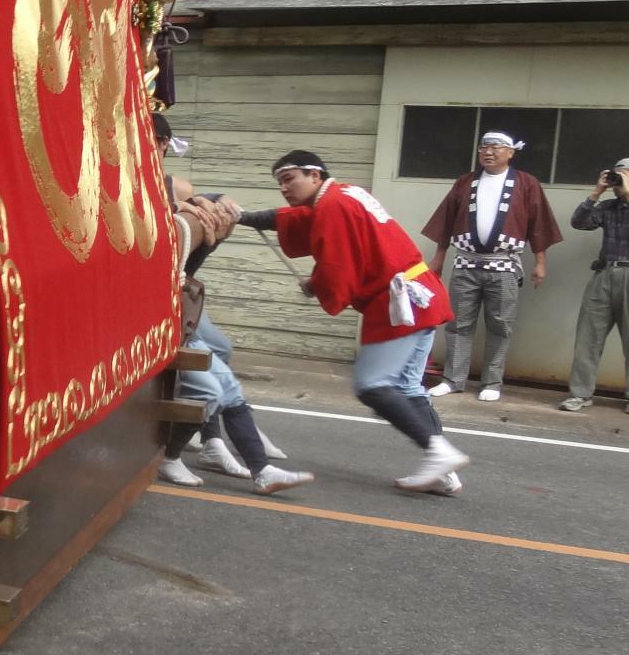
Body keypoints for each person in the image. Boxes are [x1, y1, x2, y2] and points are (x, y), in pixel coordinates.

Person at [238, 152, 465, 492]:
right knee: (407, 388)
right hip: (420, 294)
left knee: (372, 385)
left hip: (401, 303)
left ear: (315, 175)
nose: (284, 188)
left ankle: (437, 452)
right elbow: (296, 220)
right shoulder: (344, 193)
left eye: (289, 179)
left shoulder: (333, 206)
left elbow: (338, 266)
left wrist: (316, 286)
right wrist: (243, 217)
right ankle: (444, 472)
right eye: (280, 183)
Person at [158, 177, 313, 495]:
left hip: (181, 316)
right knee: (210, 389)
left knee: (225, 378)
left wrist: (210, 203)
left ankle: (257, 467)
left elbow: (202, 212)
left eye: (196, 201)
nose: (198, 205)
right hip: (162, 320)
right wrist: (180, 208)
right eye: (188, 201)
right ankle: (172, 456)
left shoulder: (194, 222)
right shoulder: (164, 223)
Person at [421, 129, 562, 403]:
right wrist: (439, 258)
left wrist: (541, 262)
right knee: (458, 323)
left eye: (496, 147)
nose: (488, 151)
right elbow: (446, 221)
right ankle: (453, 379)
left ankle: (492, 382)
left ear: (511, 152)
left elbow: (539, 224)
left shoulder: (526, 183)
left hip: (505, 266)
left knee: (501, 325)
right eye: (484, 147)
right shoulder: (465, 182)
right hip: (465, 264)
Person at [560, 159, 629, 413]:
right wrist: (596, 192)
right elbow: (579, 222)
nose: (618, 181)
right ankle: (580, 393)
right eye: (617, 175)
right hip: (605, 273)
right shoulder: (608, 207)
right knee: (588, 336)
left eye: (624, 175)